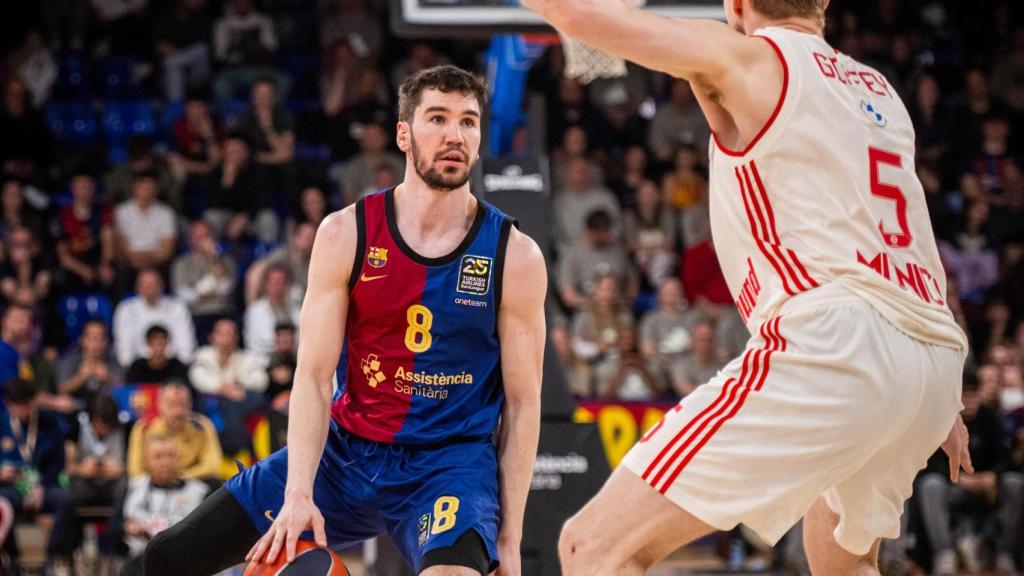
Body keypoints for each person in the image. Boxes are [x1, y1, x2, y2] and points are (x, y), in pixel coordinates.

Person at [523, 1, 972, 574]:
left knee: (594, 547)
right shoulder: (879, 90)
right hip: (931, 352)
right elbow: (910, 237)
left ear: (736, 4)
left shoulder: (751, 60)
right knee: (844, 563)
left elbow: (583, 19)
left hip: (837, 343)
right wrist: (938, 400)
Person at [143, 65, 547, 576]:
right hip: (344, 454)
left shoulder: (515, 256)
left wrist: (511, 538)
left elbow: (523, 401)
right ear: (403, 134)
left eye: (468, 122)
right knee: (164, 559)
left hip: (448, 465)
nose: (454, 135)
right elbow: (312, 376)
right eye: (438, 118)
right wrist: (297, 495)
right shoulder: (346, 233)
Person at [0, 378, 75, 570]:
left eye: (26, 405)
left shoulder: (50, 422)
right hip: (11, 488)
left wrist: (42, 486)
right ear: (9, 404)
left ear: (33, 402)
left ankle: (51, 559)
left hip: (44, 485)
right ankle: (12, 559)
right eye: (16, 406)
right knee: (3, 505)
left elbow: (58, 462)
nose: (22, 411)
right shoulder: (1, 423)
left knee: (66, 501)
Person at [122, 434, 209, 565]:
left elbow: (208, 536)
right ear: (146, 461)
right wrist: (127, 528)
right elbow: (114, 528)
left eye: (171, 455)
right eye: (158, 456)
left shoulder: (200, 491)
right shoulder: (133, 487)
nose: (165, 462)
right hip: (137, 562)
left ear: (179, 459)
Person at [189, 318, 267, 455]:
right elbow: (198, 378)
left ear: (236, 337)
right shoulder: (203, 354)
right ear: (212, 337)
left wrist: (239, 385)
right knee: (220, 403)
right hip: (215, 401)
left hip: (241, 398)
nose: (226, 338)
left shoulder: (246, 357)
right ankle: (238, 448)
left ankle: (233, 448)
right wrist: (223, 388)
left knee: (255, 398)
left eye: (230, 334)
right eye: (222, 334)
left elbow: (261, 380)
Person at [126, 382, 222, 484]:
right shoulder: (144, 427)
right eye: (171, 405)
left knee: (215, 483)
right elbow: (135, 471)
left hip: (191, 482)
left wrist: (179, 478)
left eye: (182, 404)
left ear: (190, 404)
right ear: (159, 404)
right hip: (152, 483)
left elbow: (213, 467)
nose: (178, 411)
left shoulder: (202, 426)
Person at [113, 268, 196, 367]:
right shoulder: (126, 309)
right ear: (137, 287)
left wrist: (182, 365)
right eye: (145, 284)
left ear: (162, 285)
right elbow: (124, 343)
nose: (149, 288)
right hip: (139, 366)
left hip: (172, 364)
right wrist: (129, 368)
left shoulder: (177, 307)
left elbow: (185, 340)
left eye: (153, 283)